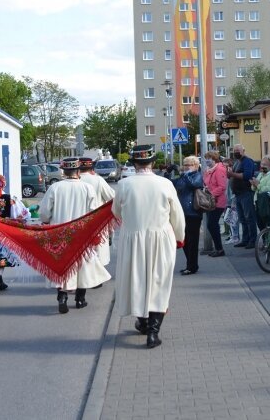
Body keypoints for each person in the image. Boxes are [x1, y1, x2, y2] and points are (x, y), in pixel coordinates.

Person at [112, 144, 185, 348]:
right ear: (152, 162)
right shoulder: (165, 183)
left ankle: (143, 322)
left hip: (133, 239)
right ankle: (153, 332)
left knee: (137, 281)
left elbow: (116, 212)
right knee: (158, 283)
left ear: (134, 163)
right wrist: (180, 236)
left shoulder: (124, 184)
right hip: (160, 239)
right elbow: (177, 215)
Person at [39, 157, 108, 314]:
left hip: (60, 233)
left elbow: (44, 213)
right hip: (81, 234)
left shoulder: (55, 188)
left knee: (62, 265)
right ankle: (80, 299)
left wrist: (48, 221)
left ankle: (62, 297)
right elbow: (94, 213)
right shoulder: (87, 188)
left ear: (63, 171)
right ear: (78, 171)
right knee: (82, 266)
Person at [78, 156, 115, 285]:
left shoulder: (72, 180)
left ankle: (77, 279)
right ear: (91, 167)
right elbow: (112, 197)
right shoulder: (98, 180)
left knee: (79, 251)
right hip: (96, 220)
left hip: (76, 221)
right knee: (96, 250)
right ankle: (96, 279)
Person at [173, 155, 204, 274]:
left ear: (195, 166)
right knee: (184, 239)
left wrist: (186, 175)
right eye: (185, 165)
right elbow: (173, 184)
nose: (186, 167)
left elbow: (194, 185)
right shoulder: (183, 176)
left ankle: (192, 266)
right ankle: (190, 264)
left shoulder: (197, 175)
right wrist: (166, 173)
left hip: (193, 212)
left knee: (193, 241)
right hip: (182, 211)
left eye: (189, 165)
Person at [226, 144, 257, 248]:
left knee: (249, 217)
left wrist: (232, 174)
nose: (236, 152)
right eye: (234, 150)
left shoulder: (247, 161)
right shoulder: (237, 162)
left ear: (243, 150)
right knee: (242, 218)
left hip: (246, 192)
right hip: (238, 194)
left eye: (238, 150)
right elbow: (233, 174)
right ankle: (245, 239)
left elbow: (247, 175)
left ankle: (252, 240)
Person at [203, 151, 228, 257]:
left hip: (217, 201)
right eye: (206, 158)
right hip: (210, 202)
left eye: (209, 158)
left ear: (214, 159)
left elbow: (222, 187)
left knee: (212, 225)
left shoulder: (219, 170)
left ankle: (219, 249)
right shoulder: (209, 171)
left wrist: (211, 194)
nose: (207, 160)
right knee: (212, 225)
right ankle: (218, 248)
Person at [251, 155, 270, 229]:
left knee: (266, 224)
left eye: (264, 164)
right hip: (257, 202)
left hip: (266, 203)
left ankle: (269, 239)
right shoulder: (261, 174)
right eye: (261, 164)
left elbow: (269, 190)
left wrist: (258, 185)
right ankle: (264, 239)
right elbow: (254, 189)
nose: (262, 166)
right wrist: (254, 184)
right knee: (260, 224)